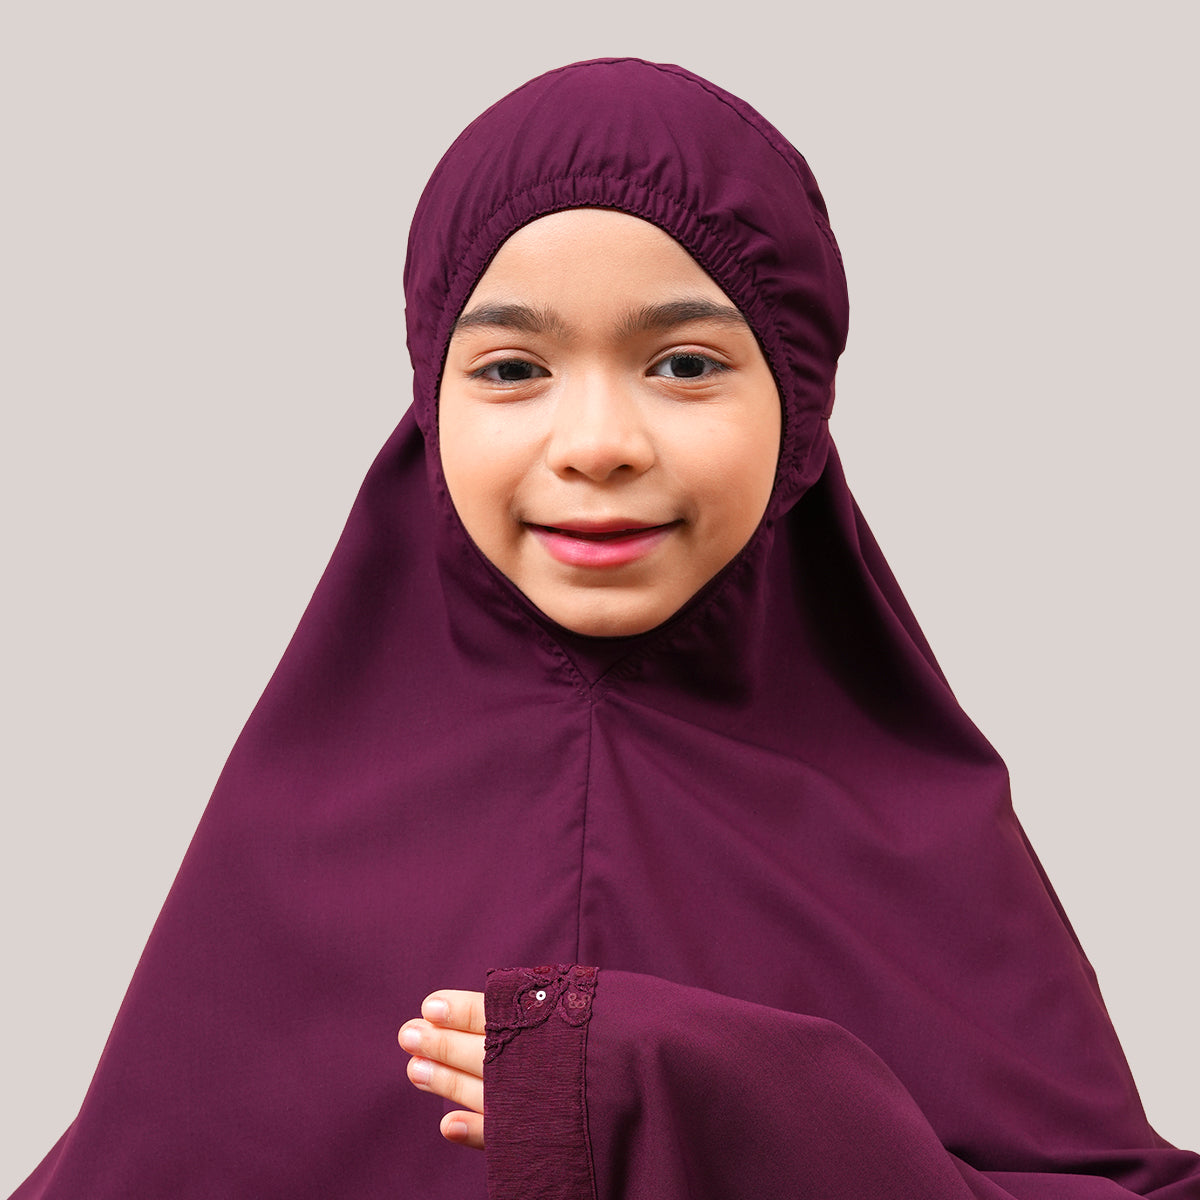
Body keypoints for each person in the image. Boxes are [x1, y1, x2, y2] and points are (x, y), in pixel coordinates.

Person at [10, 57, 1198, 1200]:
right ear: (431, 397)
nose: (596, 444)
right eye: (511, 368)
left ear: (799, 399)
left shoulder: (924, 842)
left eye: (682, 364)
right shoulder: (289, 850)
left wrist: (752, 1100)